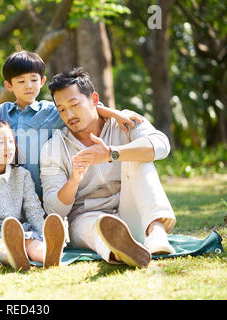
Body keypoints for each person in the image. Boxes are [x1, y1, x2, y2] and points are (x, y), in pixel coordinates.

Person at [0, 51, 143, 198]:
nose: (28, 86)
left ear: (42, 81)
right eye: (21, 81)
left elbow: (88, 108)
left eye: (34, 80)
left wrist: (115, 114)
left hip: (45, 191)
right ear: (9, 85)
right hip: (12, 192)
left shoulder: (53, 111)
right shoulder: (2, 113)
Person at [40, 67, 177, 268]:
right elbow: (53, 208)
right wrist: (73, 181)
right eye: (61, 109)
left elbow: (161, 145)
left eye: (74, 104)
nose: (69, 115)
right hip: (87, 220)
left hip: (133, 213)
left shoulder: (124, 122)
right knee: (93, 228)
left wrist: (112, 153)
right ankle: (121, 251)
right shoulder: (53, 148)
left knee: (137, 155)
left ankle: (156, 233)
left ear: (94, 100)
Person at [0, 119, 65, 271]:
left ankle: (49, 255)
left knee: (31, 242)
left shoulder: (22, 175)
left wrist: (43, 234)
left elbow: (34, 210)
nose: (9, 147)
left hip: (19, 228)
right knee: (0, 246)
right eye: (1, 143)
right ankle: (15, 258)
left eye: (11, 141)